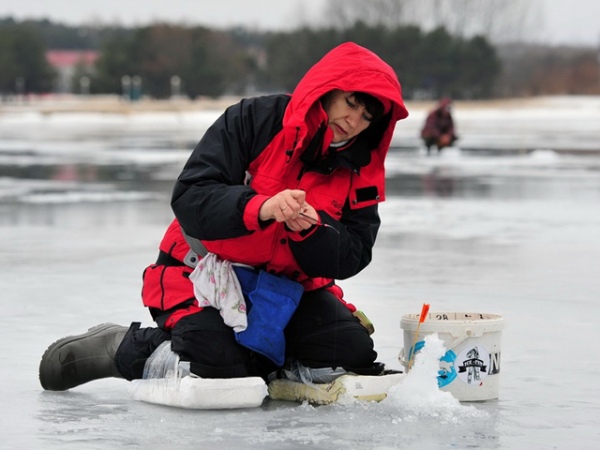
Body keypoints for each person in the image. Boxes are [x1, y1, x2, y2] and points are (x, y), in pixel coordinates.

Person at [39, 41, 409, 392]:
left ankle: (267, 358)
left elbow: (354, 254)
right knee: (218, 362)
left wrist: (313, 232)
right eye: (351, 103)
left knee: (351, 352)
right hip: (203, 274)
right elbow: (191, 196)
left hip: (287, 289)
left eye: (367, 116)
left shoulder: (361, 168)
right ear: (328, 89)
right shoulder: (256, 119)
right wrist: (260, 207)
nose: (354, 121)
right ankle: (120, 348)